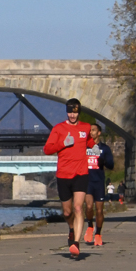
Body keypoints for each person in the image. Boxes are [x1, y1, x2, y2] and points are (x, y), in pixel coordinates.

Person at [43, 99, 94, 258]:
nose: (73, 115)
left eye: (75, 112)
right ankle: (71, 228)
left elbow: (90, 143)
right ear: (67, 112)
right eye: (70, 112)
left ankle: (76, 244)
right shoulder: (59, 128)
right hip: (64, 174)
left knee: (79, 208)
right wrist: (62, 144)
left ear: (79, 112)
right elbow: (47, 149)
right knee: (67, 212)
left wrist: (95, 142)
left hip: (81, 173)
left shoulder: (85, 127)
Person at [83, 123, 114, 246]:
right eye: (90, 130)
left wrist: (103, 161)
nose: (91, 132)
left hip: (99, 182)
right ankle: (90, 225)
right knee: (89, 207)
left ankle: (98, 234)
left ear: (99, 133)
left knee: (99, 210)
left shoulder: (105, 149)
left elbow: (111, 165)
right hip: (87, 181)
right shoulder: (84, 146)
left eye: (94, 130)